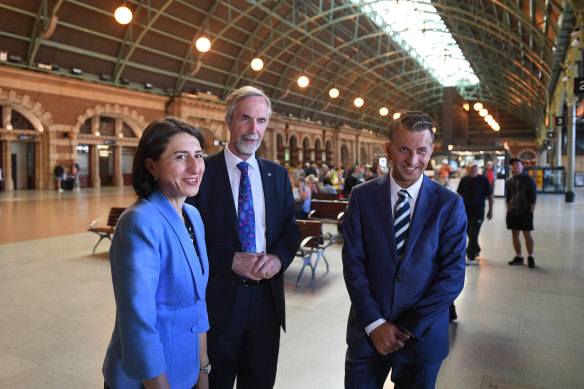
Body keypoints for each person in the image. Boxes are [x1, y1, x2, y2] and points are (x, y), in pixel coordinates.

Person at [342, 111, 467, 389]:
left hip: (422, 338)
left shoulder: (449, 205)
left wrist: (406, 328)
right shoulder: (362, 197)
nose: (413, 160)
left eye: (421, 151)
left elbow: (452, 276)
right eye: (404, 150)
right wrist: (376, 325)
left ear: (431, 150)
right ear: (388, 149)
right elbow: (354, 264)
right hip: (367, 334)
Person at [187, 86, 301, 389]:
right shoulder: (201, 173)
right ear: (229, 121)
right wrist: (229, 259)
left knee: (260, 382)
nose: (254, 130)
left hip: (266, 302)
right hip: (219, 301)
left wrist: (278, 258)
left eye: (261, 121)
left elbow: (291, 230)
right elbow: (186, 243)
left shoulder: (276, 175)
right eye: (246, 119)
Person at [102, 118, 210, 389]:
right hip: (148, 379)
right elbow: (138, 320)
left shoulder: (192, 215)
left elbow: (198, 301)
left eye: (198, 155)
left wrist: (203, 367)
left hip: (185, 369)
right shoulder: (140, 222)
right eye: (180, 156)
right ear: (152, 166)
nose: (195, 166)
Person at [457, 161, 493, 265]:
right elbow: (459, 195)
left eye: (475, 167)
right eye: (472, 167)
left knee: (473, 234)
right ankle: (476, 249)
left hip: (478, 212)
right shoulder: (464, 180)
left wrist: (490, 210)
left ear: (478, 168)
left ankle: (470, 256)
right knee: (469, 233)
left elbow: (489, 196)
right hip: (465, 211)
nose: (474, 169)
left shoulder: (483, 180)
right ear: (468, 168)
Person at [506, 158, 537, 268]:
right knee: (515, 234)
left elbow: (533, 198)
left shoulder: (529, 180)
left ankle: (530, 256)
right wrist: (508, 210)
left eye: (518, 164)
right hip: (513, 211)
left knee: (526, 234)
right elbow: (508, 197)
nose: (516, 166)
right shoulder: (510, 181)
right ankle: (518, 256)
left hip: (525, 212)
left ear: (522, 166)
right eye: (514, 165)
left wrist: (530, 212)